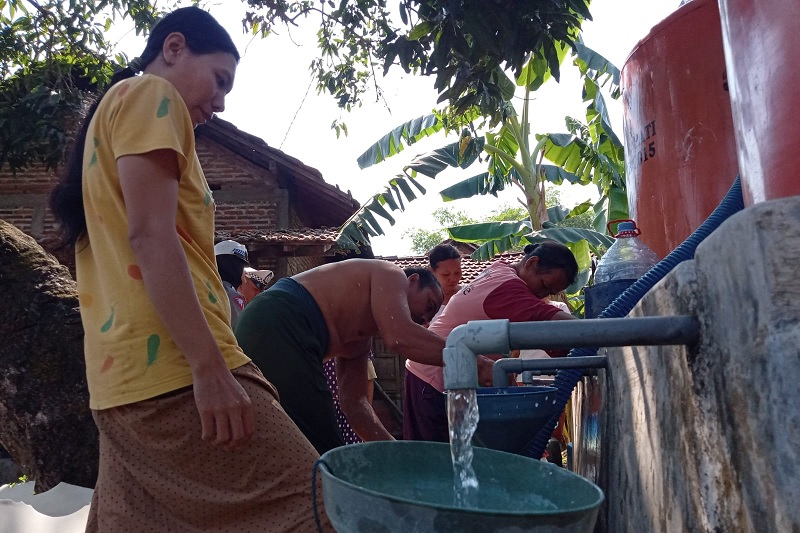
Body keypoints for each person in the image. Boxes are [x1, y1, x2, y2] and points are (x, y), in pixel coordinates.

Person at [49, 8, 330, 532]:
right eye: (219, 79)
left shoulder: (111, 118)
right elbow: (150, 236)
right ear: (173, 48)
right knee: (320, 509)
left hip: (121, 384)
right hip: (176, 368)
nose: (221, 102)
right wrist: (209, 366)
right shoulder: (151, 95)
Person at [234, 259, 495, 454]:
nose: (426, 319)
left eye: (430, 317)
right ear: (413, 281)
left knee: (293, 441)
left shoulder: (358, 338)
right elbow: (400, 336)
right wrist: (475, 362)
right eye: (429, 306)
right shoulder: (390, 273)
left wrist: (396, 453)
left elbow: (355, 405)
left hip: (274, 326)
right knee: (321, 444)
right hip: (277, 317)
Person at [403, 241, 579, 443]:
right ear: (531, 263)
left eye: (550, 292)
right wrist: (604, 333)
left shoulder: (501, 269)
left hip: (444, 374)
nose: (543, 295)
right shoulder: (507, 287)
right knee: (433, 457)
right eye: (544, 285)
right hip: (433, 376)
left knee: (451, 457)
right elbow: (567, 329)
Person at [214, 239, 250, 327]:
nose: (243, 271)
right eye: (241, 266)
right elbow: (238, 331)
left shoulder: (205, 288)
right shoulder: (231, 295)